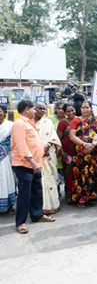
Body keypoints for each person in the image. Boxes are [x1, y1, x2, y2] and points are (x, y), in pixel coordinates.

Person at [12, 100, 56, 234]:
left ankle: (37, 215)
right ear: (27, 109)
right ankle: (20, 222)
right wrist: (33, 162)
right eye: (33, 109)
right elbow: (21, 146)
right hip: (25, 165)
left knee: (37, 191)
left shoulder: (29, 122)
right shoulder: (19, 124)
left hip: (36, 164)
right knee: (25, 194)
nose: (36, 111)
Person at [69, 101, 97, 208]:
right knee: (80, 175)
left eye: (87, 107)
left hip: (94, 153)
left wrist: (93, 145)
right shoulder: (75, 121)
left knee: (94, 175)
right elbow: (72, 136)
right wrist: (84, 144)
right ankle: (81, 198)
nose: (85, 109)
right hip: (80, 154)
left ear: (91, 109)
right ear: (80, 109)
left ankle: (95, 198)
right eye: (83, 107)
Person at [34, 102, 61, 214]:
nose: (42, 111)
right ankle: (39, 207)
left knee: (50, 178)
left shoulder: (47, 122)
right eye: (40, 108)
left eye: (44, 109)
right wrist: (39, 150)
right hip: (35, 156)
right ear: (34, 109)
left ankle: (53, 204)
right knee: (38, 182)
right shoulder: (29, 123)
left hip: (48, 155)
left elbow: (54, 137)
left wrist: (48, 146)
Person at [57, 103, 75, 203]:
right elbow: (58, 140)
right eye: (68, 111)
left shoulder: (78, 120)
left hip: (79, 153)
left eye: (72, 110)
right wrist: (62, 153)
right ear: (65, 112)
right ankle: (69, 196)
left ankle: (78, 195)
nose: (71, 113)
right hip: (67, 154)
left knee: (78, 174)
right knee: (68, 175)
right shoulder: (62, 123)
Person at [0, 104, 15, 214]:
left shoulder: (10, 125)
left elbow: (14, 140)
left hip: (6, 157)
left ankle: (10, 205)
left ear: (5, 113)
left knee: (7, 179)